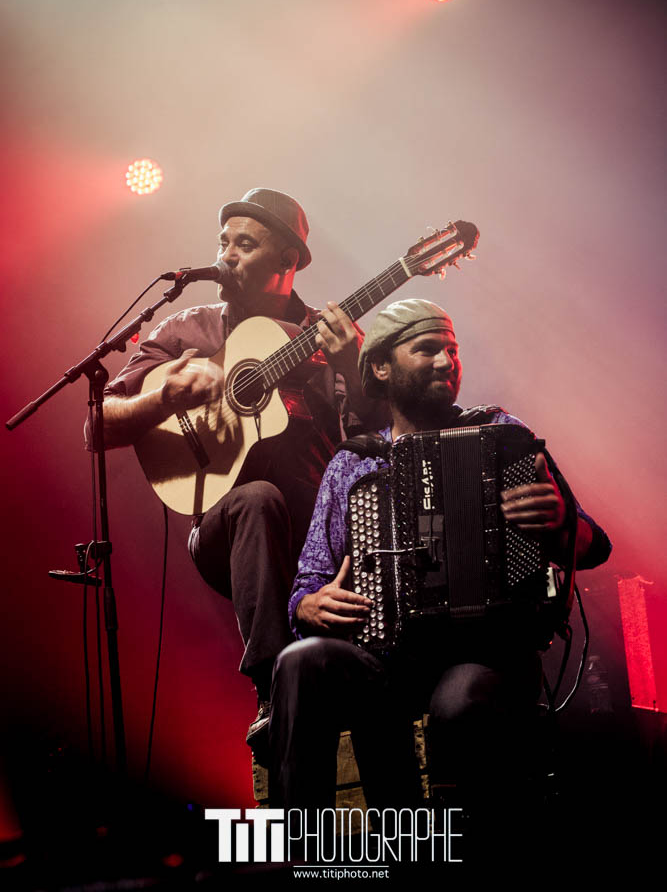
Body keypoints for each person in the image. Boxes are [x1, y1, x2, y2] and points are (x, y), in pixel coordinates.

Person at [269, 298, 611, 819]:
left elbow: (593, 545)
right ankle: (303, 853)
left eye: (453, 350)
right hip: (384, 659)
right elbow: (307, 583)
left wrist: (563, 520)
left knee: (459, 704)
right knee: (299, 662)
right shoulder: (352, 465)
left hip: (486, 654)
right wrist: (308, 606)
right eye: (427, 349)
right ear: (381, 367)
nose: (447, 362)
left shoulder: (503, 435)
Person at [94, 188, 376, 750]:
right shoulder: (186, 330)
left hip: (317, 539)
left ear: (287, 262)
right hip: (226, 528)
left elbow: (374, 438)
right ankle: (272, 689)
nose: (227, 255)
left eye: (245, 245)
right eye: (224, 242)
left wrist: (351, 362)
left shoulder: (329, 334)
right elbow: (97, 425)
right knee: (257, 497)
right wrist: (162, 399)